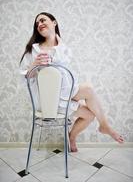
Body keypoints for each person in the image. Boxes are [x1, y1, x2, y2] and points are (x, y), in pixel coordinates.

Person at [20, 12, 124, 152]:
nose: (39, 24)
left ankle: (72, 136)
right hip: (48, 102)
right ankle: (104, 126)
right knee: (88, 89)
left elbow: (66, 78)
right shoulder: (33, 49)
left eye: (43, 20)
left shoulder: (64, 49)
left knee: (90, 113)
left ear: (54, 22)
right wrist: (34, 65)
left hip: (63, 94)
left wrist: (75, 97)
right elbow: (25, 78)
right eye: (37, 23)